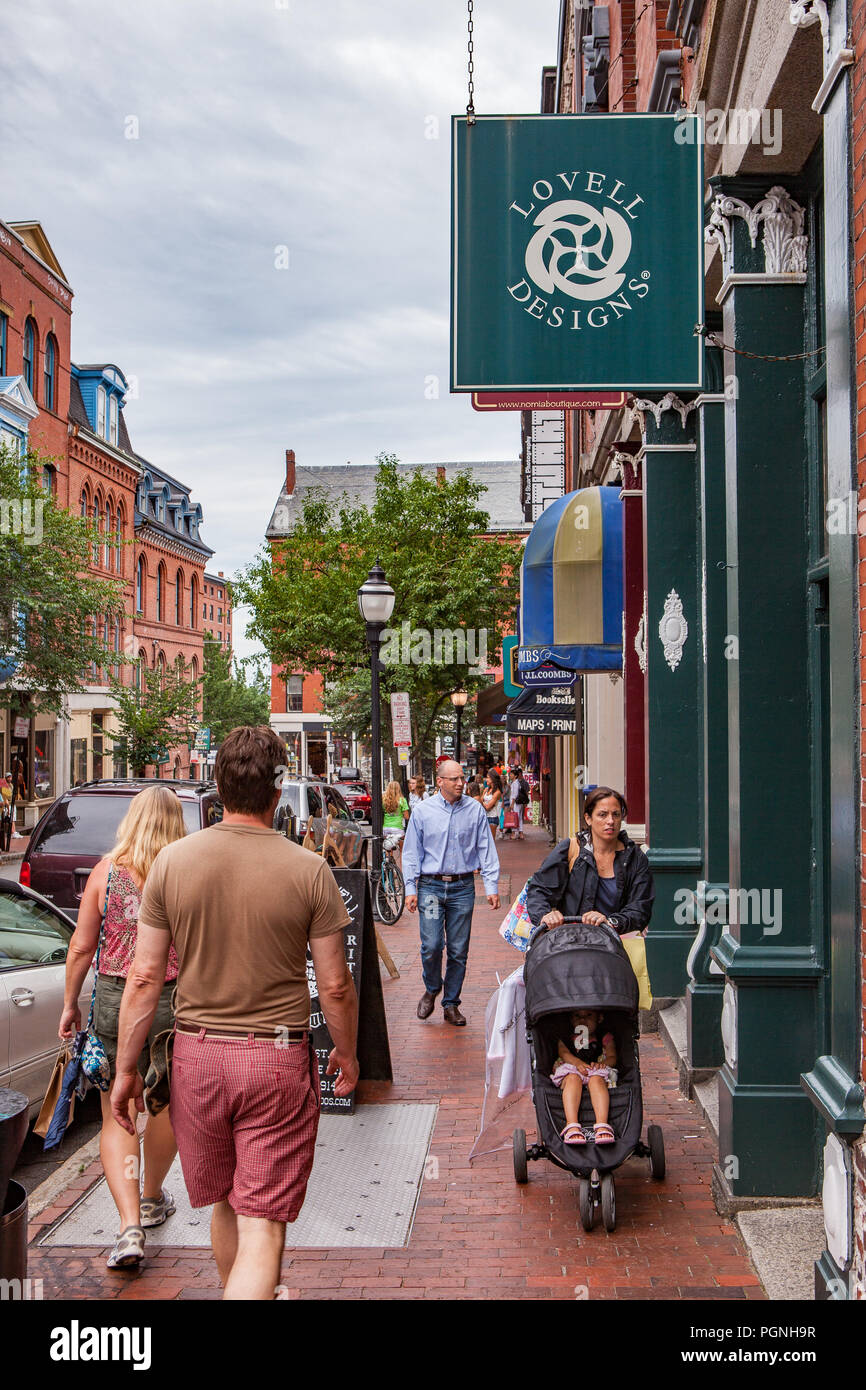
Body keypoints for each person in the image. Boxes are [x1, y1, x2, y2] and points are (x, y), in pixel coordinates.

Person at [111, 725, 358, 1301]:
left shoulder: (172, 864)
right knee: (264, 1217)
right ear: (278, 792)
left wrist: (127, 1068)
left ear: (217, 786)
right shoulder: (309, 871)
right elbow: (336, 984)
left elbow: (144, 977)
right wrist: (344, 1051)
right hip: (274, 1058)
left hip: (196, 1056)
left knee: (225, 1199)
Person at [59, 785, 187, 1271]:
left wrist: (71, 1004)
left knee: (118, 1107)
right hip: (175, 1001)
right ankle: (153, 1195)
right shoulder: (182, 873)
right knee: (165, 1104)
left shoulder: (106, 872)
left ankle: (130, 1225)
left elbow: (80, 947)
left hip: (117, 999)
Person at [402, 759, 500, 1027]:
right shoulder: (423, 811)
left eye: (463, 778)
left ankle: (451, 1003)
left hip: (462, 888)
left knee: (458, 949)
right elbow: (411, 852)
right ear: (441, 781)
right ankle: (433, 987)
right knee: (432, 945)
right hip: (431, 887)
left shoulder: (475, 810)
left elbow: (485, 848)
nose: (461, 783)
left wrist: (491, 886)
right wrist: (410, 888)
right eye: (455, 779)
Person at [525, 786, 654, 934]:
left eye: (616, 814)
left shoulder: (635, 858)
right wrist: (546, 915)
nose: (610, 821)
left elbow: (640, 908)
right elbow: (539, 890)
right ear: (588, 818)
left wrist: (612, 922)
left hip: (616, 947)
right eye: (602, 815)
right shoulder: (570, 849)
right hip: (571, 944)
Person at [552, 1009, 617, 1145]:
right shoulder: (566, 1037)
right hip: (572, 1069)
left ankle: (602, 1124)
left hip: (595, 1071)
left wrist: (601, 1065)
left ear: (599, 1018)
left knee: (597, 1080)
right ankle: (572, 1125)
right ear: (570, 1019)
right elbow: (563, 1053)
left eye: (588, 1015)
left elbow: (612, 1057)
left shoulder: (604, 1037)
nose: (582, 1020)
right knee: (573, 1078)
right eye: (577, 1016)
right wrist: (577, 1063)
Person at [382, 779, 409, 865]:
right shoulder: (402, 800)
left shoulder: (384, 800)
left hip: (386, 828)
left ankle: (389, 868)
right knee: (402, 851)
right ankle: (401, 871)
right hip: (398, 829)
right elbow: (406, 816)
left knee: (388, 849)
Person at [509, 765, 529, 841]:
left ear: (515, 776)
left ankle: (514, 833)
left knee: (515, 817)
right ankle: (520, 833)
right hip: (518, 803)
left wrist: (512, 804)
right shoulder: (516, 783)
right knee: (519, 817)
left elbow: (514, 794)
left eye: (511, 774)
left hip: (515, 803)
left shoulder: (515, 783)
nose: (510, 775)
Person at [481, 770, 502, 838]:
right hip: (484, 817)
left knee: (491, 842)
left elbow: (487, 807)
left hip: (492, 818)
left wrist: (481, 802)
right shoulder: (486, 789)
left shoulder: (497, 792)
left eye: (488, 777)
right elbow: (480, 801)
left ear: (493, 779)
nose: (486, 779)